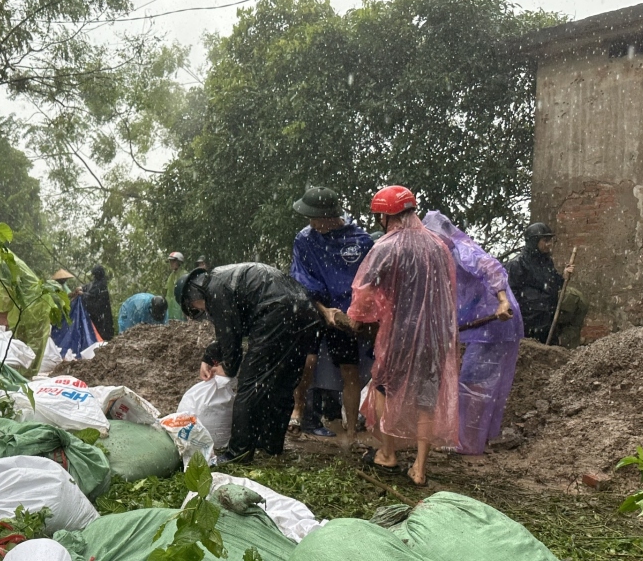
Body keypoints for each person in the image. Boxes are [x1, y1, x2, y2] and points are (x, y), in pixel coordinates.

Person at [348, 186, 460, 486]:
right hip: (436, 335)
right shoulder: (437, 246)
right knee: (426, 399)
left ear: (385, 216)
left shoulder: (386, 247)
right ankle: (420, 469)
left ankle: (388, 453)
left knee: (384, 386)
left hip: (401, 332)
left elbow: (365, 290)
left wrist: (357, 318)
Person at [177, 263, 320, 464]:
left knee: (249, 385)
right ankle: (271, 444)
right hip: (304, 310)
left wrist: (227, 367)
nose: (201, 311)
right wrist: (209, 357)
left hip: (277, 312)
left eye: (195, 309)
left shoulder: (214, 290)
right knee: (282, 382)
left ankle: (239, 453)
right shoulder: (222, 280)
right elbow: (234, 328)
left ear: (192, 298)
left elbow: (230, 337)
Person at [422, 211, 521, 457]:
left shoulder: (462, 250)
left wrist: (501, 300)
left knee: (475, 383)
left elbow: (492, 267)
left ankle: (468, 443)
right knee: (477, 382)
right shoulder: (445, 256)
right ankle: (472, 438)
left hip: (495, 322)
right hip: (482, 324)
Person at [288, 185, 375, 445]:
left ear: (330, 216)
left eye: (316, 218)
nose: (312, 224)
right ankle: (298, 410)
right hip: (315, 308)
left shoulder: (360, 241)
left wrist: (354, 313)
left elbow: (370, 281)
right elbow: (301, 280)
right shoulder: (304, 240)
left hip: (349, 315)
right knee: (307, 361)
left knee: (351, 371)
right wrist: (324, 310)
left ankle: (350, 431)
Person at [505, 222, 586, 347]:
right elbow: (510, 295)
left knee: (577, 300)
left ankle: (566, 346)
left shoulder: (546, 261)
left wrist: (564, 276)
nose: (549, 244)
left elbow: (554, 284)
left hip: (549, 309)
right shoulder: (517, 264)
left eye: (550, 240)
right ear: (534, 241)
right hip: (531, 317)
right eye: (545, 240)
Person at [82, 265, 115, 341]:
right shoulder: (96, 282)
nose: (94, 276)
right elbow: (89, 287)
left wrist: (83, 294)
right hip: (96, 312)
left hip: (99, 312)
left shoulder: (102, 284)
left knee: (101, 328)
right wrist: (82, 289)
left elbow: (93, 295)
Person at [164, 252, 187, 321]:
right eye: (170, 261)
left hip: (180, 308)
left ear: (179, 262)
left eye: (173, 261)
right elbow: (167, 291)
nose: (171, 263)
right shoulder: (171, 276)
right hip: (170, 308)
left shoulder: (184, 274)